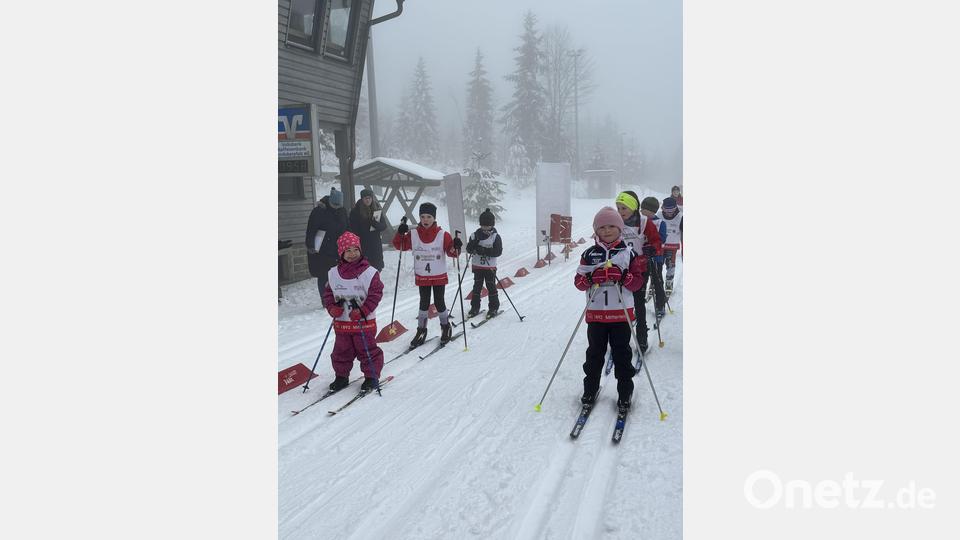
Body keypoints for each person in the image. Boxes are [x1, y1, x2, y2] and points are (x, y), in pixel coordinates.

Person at [574, 207, 647, 411]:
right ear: (596, 230)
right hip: (596, 315)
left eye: (611, 226)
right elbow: (579, 283)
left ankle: (625, 392)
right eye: (602, 227)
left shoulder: (628, 253)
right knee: (594, 355)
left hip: (620, 316)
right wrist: (591, 278)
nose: (606, 231)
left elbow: (637, 284)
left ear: (620, 228)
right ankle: (590, 388)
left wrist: (622, 276)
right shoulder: (589, 254)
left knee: (622, 355)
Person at [321, 232, 385, 392]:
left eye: (355, 249)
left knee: (367, 349)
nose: (352, 254)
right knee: (341, 351)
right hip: (342, 322)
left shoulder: (370, 273)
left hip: (364, 321)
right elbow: (328, 294)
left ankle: (371, 376)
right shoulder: (333, 273)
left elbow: (376, 294)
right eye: (347, 250)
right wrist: (331, 308)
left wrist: (363, 310)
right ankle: (341, 376)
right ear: (341, 253)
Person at [392, 202, 463, 347]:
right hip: (423, 275)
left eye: (429, 217)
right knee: (423, 303)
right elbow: (400, 245)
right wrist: (400, 233)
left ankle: (445, 326)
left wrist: (456, 245)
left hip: (438, 275)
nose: (425, 220)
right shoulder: (413, 234)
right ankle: (422, 330)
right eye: (423, 216)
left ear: (434, 218)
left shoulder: (443, 235)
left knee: (439, 302)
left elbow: (452, 253)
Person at [614, 191, 663, 354]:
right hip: (621, 268)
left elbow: (656, 240)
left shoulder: (644, 222)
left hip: (640, 268)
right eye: (618, 208)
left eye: (624, 208)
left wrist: (652, 248)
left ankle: (642, 336)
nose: (621, 212)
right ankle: (621, 336)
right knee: (621, 303)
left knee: (639, 303)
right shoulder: (616, 222)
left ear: (633, 207)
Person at [306, 187, 348, 296]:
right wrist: (310, 245)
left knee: (339, 274)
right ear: (330, 202)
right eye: (334, 205)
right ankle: (325, 300)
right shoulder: (319, 211)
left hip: (339, 248)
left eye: (338, 206)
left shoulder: (342, 211)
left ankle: (338, 295)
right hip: (323, 249)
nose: (336, 208)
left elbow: (347, 227)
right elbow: (311, 229)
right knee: (324, 275)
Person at [465, 208, 503, 319]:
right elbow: (468, 249)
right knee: (477, 287)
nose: (485, 228)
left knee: (491, 286)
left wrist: (484, 251)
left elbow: (498, 252)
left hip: (490, 267)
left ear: (492, 225)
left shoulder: (495, 237)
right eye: (483, 226)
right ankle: (475, 307)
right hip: (477, 266)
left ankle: (494, 307)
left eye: (488, 226)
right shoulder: (475, 235)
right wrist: (473, 246)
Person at [639, 196, 668, 322]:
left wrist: (651, 244)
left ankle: (660, 305)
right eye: (641, 209)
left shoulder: (660, 222)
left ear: (652, 211)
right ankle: (638, 306)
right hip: (642, 259)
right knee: (642, 283)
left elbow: (662, 239)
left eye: (644, 210)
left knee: (657, 282)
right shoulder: (639, 221)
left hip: (656, 257)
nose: (641, 212)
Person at [348, 188, 387, 271]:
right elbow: (353, 229)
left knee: (376, 269)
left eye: (369, 198)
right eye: (366, 198)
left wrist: (374, 223)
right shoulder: (356, 212)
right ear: (362, 199)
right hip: (363, 244)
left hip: (375, 244)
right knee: (363, 269)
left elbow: (384, 226)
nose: (368, 200)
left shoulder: (377, 209)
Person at [659, 196, 683, 294]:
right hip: (660, 246)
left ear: (675, 208)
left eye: (671, 209)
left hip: (672, 246)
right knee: (657, 265)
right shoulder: (659, 215)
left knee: (670, 265)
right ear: (663, 208)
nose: (669, 212)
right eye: (666, 209)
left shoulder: (680, 217)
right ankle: (655, 282)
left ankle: (669, 282)